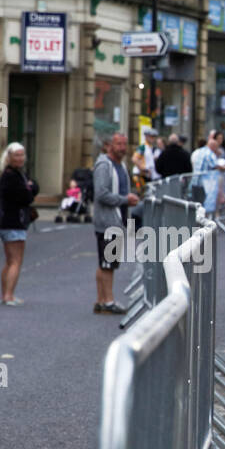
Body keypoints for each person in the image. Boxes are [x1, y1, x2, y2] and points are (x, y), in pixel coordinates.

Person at [93, 133, 138, 315]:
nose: (122, 147)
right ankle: (108, 301)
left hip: (117, 220)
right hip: (107, 221)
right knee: (108, 264)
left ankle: (101, 300)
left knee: (105, 262)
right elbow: (101, 194)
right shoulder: (104, 165)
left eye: (124, 144)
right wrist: (124, 200)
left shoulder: (122, 165)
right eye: (118, 144)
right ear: (109, 145)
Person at [0, 143, 38, 305]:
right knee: (15, 261)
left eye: (22, 155)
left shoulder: (15, 174)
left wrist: (30, 188)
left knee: (9, 261)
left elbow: (35, 186)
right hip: (14, 222)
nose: (20, 158)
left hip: (8, 221)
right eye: (17, 155)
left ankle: (5, 294)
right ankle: (8, 295)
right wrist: (30, 189)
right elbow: (26, 196)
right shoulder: (11, 176)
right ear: (9, 157)